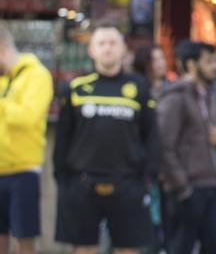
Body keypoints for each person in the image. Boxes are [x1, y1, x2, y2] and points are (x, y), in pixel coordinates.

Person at [54, 22, 159, 254]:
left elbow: (152, 134)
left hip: (128, 184)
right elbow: (63, 136)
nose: (107, 48)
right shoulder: (77, 88)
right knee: (83, 248)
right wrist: (63, 179)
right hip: (81, 184)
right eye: (101, 43)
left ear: (123, 48)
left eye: (113, 43)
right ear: (91, 49)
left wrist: (147, 177)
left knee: (127, 248)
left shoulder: (138, 87)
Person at [157, 41, 216, 254]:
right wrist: (182, 188)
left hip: (210, 186)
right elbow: (164, 147)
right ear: (191, 65)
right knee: (180, 248)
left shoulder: (207, 94)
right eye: (209, 61)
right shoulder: (175, 97)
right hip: (186, 190)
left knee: (213, 247)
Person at [0, 24, 54, 254]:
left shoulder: (37, 75)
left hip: (23, 171)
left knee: (24, 237)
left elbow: (28, 117)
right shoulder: (4, 80)